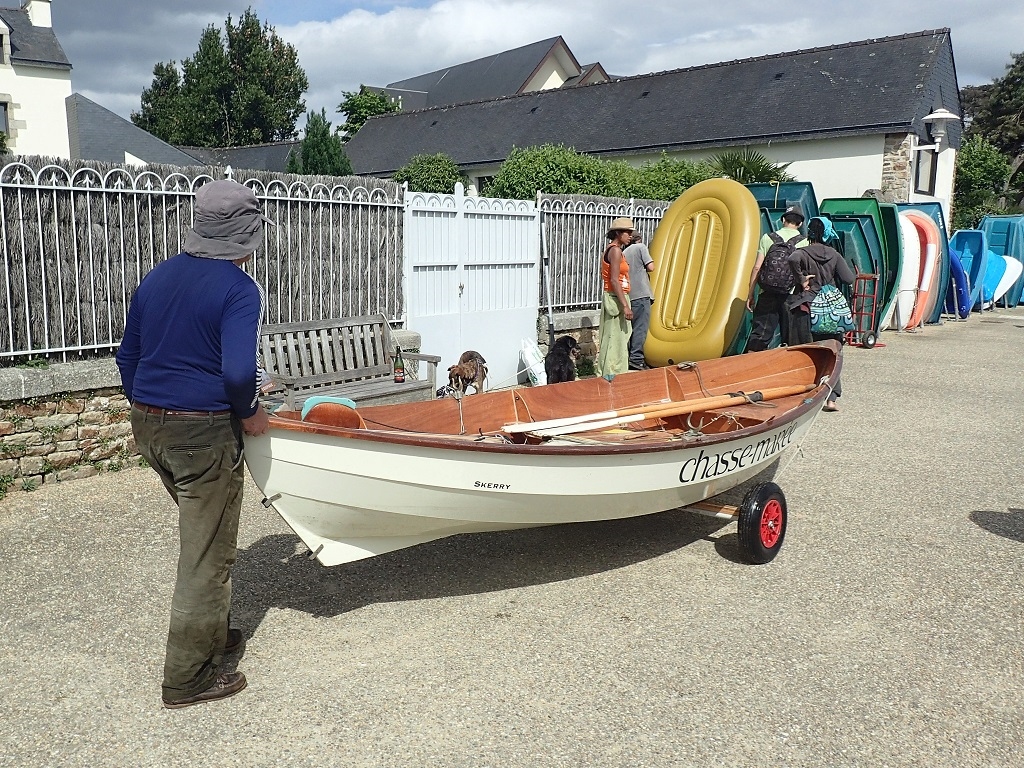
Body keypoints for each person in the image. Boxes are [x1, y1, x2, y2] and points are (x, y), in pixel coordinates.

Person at [116, 180, 273, 709]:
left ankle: (211, 631)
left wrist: (152, 407)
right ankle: (188, 678)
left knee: (203, 538)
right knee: (206, 556)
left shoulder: (158, 277)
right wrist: (251, 411)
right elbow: (236, 374)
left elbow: (127, 357)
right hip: (202, 434)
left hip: (150, 426)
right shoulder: (238, 288)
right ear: (244, 235)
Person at [786, 215, 856, 411]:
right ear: (826, 232)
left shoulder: (803, 252)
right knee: (833, 353)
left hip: (806, 308)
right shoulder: (833, 254)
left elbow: (792, 259)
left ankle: (804, 398)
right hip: (830, 311)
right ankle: (831, 399)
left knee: (805, 353)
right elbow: (849, 279)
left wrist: (802, 279)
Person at [745, 205, 807, 352]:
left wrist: (750, 294)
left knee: (761, 332)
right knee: (790, 334)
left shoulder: (768, 238)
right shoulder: (804, 242)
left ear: (783, 219)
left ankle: (751, 363)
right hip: (790, 294)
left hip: (767, 291)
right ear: (800, 223)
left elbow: (757, 267)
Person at [596, 217, 634, 377]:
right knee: (615, 339)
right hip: (615, 298)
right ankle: (612, 373)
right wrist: (625, 305)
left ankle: (614, 372)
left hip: (616, 296)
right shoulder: (615, 251)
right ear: (618, 233)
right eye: (628, 232)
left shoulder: (613, 250)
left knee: (618, 337)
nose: (630, 235)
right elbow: (613, 279)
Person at [623, 231, 655, 370]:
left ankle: (628, 357)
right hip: (642, 294)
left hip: (629, 296)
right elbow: (651, 267)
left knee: (631, 329)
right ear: (639, 238)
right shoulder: (641, 247)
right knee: (640, 328)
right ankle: (636, 359)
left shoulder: (623, 252)